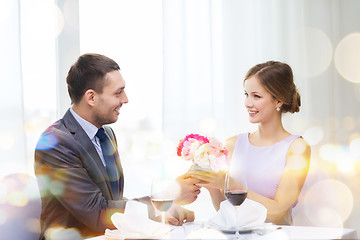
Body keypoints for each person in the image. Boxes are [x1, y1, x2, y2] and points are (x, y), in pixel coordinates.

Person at [34, 53, 199, 239]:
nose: (126, 99)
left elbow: (112, 204)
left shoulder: (106, 135)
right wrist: (165, 199)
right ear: (91, 97)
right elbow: (97, 212)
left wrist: (163, 210)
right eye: (118, 92)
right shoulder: (56, 143)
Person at [191, 61, 311, 225]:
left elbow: (277, 213)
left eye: (256, 96)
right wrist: (212, 185)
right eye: (246, 94)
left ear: (279, 101)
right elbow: (227, 212)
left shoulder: (296, 148)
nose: (248, 103)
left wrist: (232, 185)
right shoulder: (233, 144)